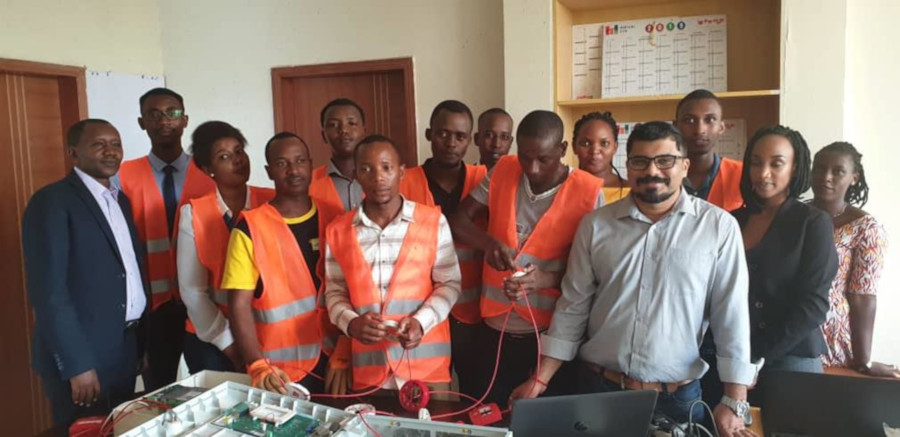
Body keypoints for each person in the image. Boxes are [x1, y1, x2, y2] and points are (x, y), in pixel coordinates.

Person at [509, 121, 759, 437]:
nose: (652, 170)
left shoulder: (718, 228)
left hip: (677, 399)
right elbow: (573, 307)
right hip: (600, 391)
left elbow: (731, 317)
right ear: (629, 167)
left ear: (684, 166)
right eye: (640, 161)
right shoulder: (596, 226)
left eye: (664, 161)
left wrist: (734, 399)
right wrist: (540, 378)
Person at [450, 110, 605, 407]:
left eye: (543, 159)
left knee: (545, 423)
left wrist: (544, 279)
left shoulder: (588, 192)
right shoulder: (504, 169)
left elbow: (594, 273)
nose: (532, 168)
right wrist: (488, 243)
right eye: (525, 156)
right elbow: (458, 220)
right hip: (494, 330)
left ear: (562, 150)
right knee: (491, 417)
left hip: (550, 337)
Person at [23, 119, 147, 426]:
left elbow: (127, 273)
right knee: (80, 430)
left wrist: (140, 345)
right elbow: (49, 292)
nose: (110, 152)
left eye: (116, 144)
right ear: (73, 153)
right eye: (99, 144)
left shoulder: (120, 201)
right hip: (84, 353)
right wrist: (77, 364)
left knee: (118, 428)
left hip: (123, 346)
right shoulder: (52, 202)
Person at [325, 135, 461, 392]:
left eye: (386, 168)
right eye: (366, 169)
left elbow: (450, 284)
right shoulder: (338, 231)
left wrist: (421, 321)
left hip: (427, 369)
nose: (378, 177)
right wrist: (351, 323)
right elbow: (335, 293)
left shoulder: (433, 221)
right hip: (369, 368)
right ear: (356, 175)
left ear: (401, 172)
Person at [119, 87, 215, 390]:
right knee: (157, 388)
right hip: (153, 306)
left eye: (172, 112)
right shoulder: (122, 176)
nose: (164, 120)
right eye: (154, 114)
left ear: (185, 119)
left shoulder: (211, 173)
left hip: (205, 300)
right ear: (141, 122)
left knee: (212, 383)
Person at [221, 132, 327, 394]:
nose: (293, 170)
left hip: (336, 362)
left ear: (311, 164)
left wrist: (346, 353)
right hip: (280, 372)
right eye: (282, 164)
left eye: (300, 161)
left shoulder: (334, 215)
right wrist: (257, 364)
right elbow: (239, 305)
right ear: (269, 171)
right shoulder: (250, 227)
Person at [732, 126, 838, 376]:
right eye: (756, 163)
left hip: (792, 359)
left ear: (794, 168)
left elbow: (813, 304)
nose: (763, 173)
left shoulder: (812, 222)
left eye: (776, 164)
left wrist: (759, 354)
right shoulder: (731, 221)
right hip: (734, 356)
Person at [400, 100, 487, 398]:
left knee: (473, 399)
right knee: (425, 401)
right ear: (429, 134)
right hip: (421, 313)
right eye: (443, 134)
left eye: (460, 136)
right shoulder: (403, 181)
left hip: (472, 315)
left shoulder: (484, 179)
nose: (451, 143)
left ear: (470, 140)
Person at [176, 121, 274, 374]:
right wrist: (229, 343)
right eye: (224, 157)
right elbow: (193, 293)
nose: (237, 160)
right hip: (213, 339)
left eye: (239, 151)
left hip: (265, 333)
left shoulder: (271, 201)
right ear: (208, 169)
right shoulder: (194, 213)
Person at [811, 142, 899, 377]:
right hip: (790, 332)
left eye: (837, 171)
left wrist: (864, 361)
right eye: (819, 169)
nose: (825, 177)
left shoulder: (865, 227)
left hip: (833, 338)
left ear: (854, 178)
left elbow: (863, 296)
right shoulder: (793, 215)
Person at [674, 89, 743, 211]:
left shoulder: (742, 174)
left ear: (721, 128)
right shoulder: (662, 174)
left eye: (710, 120)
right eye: (689, 120)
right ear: (675, 127)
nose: (700, 130)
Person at [572, 111, 629, 203]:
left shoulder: (631, 192)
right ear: (574, 146)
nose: (594, 151)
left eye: (604, 143)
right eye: (586, 143)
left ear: (615, 147)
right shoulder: (561, 190)